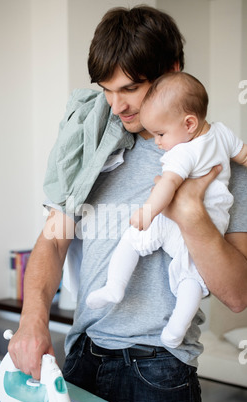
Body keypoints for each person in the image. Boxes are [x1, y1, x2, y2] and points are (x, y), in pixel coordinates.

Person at [8, 6, 247, 402]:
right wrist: (32, 320)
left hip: (159, 369)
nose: (116, 105)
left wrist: (191, 214)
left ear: (172, 70)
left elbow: (238, 295)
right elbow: (53, 240)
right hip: (82, 353)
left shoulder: (220, 164)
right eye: (106, 90)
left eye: (130, 89)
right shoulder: (93, 150)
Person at [86, 71, 247, 349]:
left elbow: (167, 186)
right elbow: (243, 154)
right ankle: (176, 328)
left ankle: (115, 285)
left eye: (160, 134)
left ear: (188, 123)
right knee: (192, 280)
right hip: (211, 228)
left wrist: (147, 213)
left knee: (132, 239)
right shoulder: (221, 133)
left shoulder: (182, 152)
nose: (158, 142)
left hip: (173, 225)